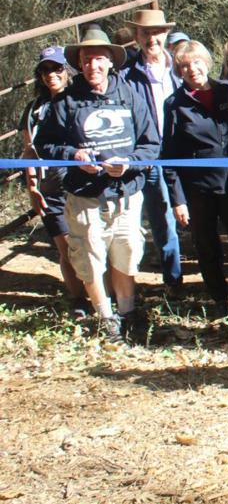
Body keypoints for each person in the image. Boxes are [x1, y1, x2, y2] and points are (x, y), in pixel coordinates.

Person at [36, 28, 160, 344]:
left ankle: (128, 313)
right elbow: (45, 144)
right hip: (85, 197)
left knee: (127, 253)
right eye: (86, 59)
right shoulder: (65, 102)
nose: (93, 66)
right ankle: (107, 320)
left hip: (126, 194)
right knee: (90, 258)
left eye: (99, 59)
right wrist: (73, 155)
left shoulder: (131, 93)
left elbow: (151, 143)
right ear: (79, 62)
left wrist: (129, 162)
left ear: (110, 61)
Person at [163, 41, 228, 322]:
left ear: (206, 63)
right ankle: (220, 300)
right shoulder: (174, 104)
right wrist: (178, 199)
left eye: (195, 62)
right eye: (183, 66)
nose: (191, 69)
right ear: (178, 71)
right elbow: (169, 157)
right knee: (207, 246)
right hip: (199, 189)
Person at [119, 8, 184, 299]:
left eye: (156, 33)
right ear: (136, 36)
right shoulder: (126, 75)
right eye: (145, 33)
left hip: (182, 149)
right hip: (149, 152)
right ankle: (174, 281)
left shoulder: (180, 68)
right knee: (162, 216)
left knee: (194, 213)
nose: (151, 39)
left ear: (166, 34)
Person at [20, 46, 86, 317]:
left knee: (90, 245)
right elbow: (28, 151)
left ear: (68, 71)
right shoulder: (34, 109)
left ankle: (107, 297)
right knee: (66, 247)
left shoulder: (81, 100)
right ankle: (79, 301)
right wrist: (32, 187)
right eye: (45, 70)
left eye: (57, 68)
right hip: (50, 189)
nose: (51, 75)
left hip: (82, 186)